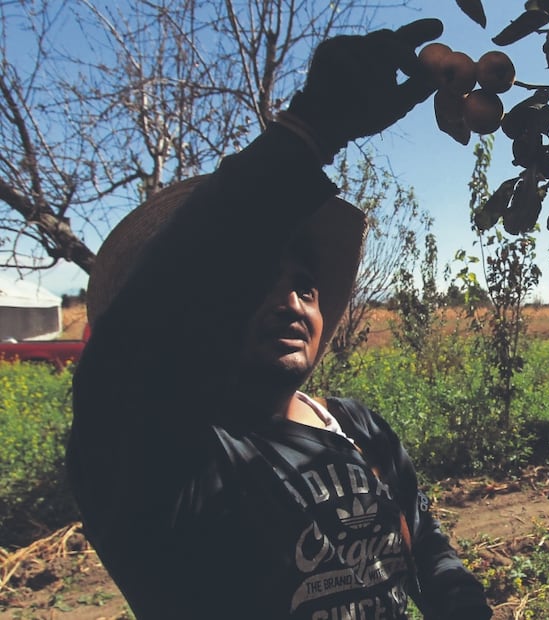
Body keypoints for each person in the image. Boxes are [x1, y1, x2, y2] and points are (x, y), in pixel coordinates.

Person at [67, 19, 492, 620]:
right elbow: (137, 341)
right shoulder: (162, 457)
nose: (290, 302)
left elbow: (424, 544)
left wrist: (458, 598)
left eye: (303, 285)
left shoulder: (358, 430)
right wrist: (309, 129)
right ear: (198, 309)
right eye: (255, 282)